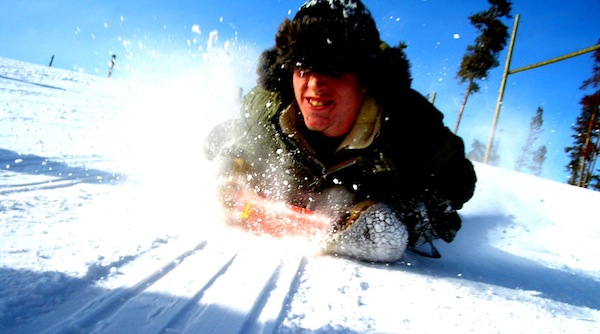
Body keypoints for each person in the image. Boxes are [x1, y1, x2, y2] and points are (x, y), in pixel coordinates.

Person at [205, 0, 477, 262]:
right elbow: (236, 142)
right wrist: (230, 169)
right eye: (303, 66)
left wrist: (400, 217)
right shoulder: (268, 108)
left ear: (365, 78)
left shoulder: (413, 127)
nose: (314, 83)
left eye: (333, 67)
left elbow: (456, 189)